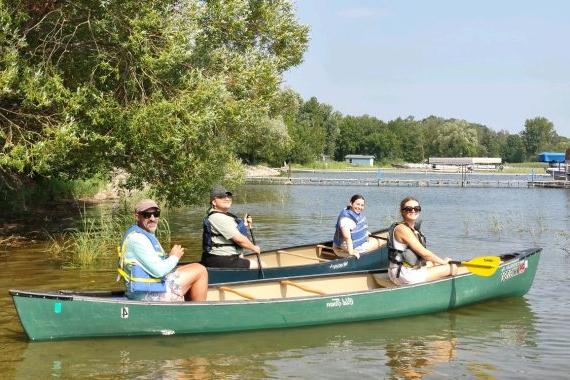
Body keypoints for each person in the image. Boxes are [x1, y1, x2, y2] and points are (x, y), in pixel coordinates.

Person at [117, 199, 208, 301]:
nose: (153, 218)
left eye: (156, 214)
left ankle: (187, 309)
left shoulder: (144, 234)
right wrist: (174, 257)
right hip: (146, 296)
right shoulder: (137, 239)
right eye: (147, 215)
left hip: (149, 289)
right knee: (200, 270)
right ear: (137, 216)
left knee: (191, 268)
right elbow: (159, 271)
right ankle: (200, 313)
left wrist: (170, 258)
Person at [386, 196, 468, 285]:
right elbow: (424, 254)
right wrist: (443, 262)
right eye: (409, 209)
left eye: (416, 208)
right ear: (402, 211)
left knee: (434, 263)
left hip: (402, 271)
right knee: (451, 267)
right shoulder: (402, 229)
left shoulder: (412, 229)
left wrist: (438, 262)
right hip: (404, 274)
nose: (413, 211)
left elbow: (423, 257)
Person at [201, 186, 263, 268]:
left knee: (244, 258)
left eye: (228, 196)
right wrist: (254, 248)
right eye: (221, 197)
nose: (227, 199)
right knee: (263, 265)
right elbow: (239, 239)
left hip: (224, 258)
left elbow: (233, 230)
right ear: (214, 202)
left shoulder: (225, 216)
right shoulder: (218, 217)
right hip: (220, 259)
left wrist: (244, 224)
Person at [332, 194, 383, 259]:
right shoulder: (346, 220)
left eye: (362, 205)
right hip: (347, 245)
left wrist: (365, 233)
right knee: (381, 242)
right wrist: (351, 252)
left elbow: (356, 227)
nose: (360, 207)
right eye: (357, 204)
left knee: (373, 239)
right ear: (351, 203)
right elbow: (347, 238)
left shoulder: (348, 210)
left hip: (342, 243)